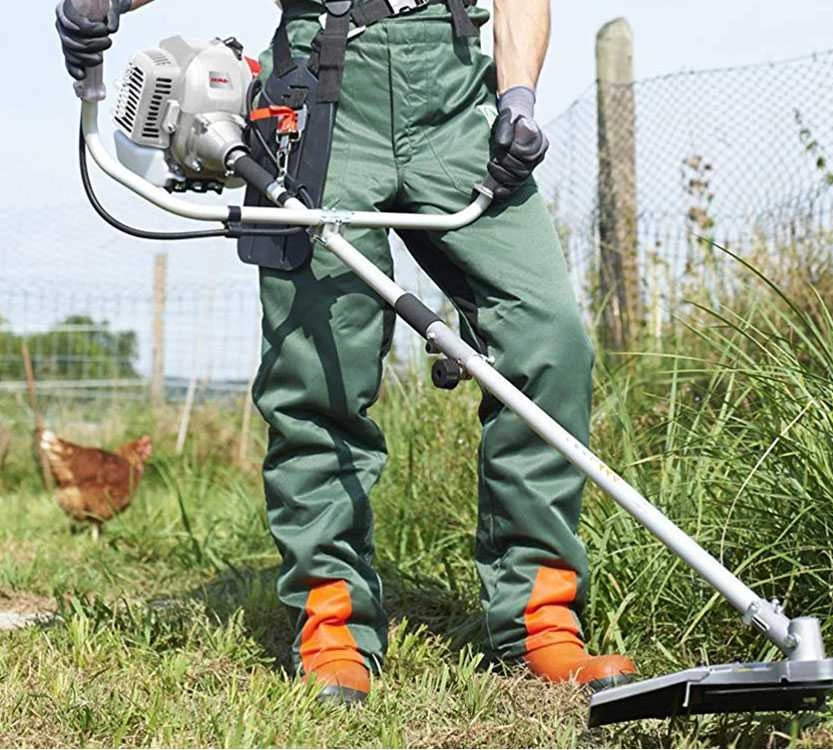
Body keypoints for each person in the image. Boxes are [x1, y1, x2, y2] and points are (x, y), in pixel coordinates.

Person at [57, 0, 636, 706]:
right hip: (321, 90)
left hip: (454, 91)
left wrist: (517, 95)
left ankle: (540, 618)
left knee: (549, 338)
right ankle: (332, 622)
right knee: (318, 369)